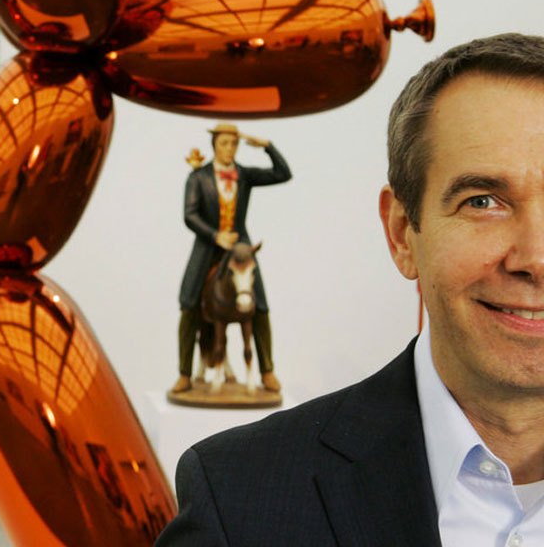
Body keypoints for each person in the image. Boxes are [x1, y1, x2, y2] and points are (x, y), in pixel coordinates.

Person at [156, 33, 544, 546]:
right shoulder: (236, 498)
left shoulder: (246, 171)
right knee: (195, 303)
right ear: (401, 233)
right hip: (217, 247)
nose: (535, 259)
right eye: (482, 202)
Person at [171, 123, 291, 395]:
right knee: (189, 302)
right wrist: (215, 236)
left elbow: (283, 174)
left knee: (260, 303)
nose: (229, 149)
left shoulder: (244, 175)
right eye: (224, 143)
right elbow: (189, 215)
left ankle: (267, 370)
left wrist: (267, 146)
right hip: (207, 246)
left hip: (239, 246)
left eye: (233, 144)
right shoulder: (198, 177)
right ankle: (184, 373)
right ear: (214, 145)